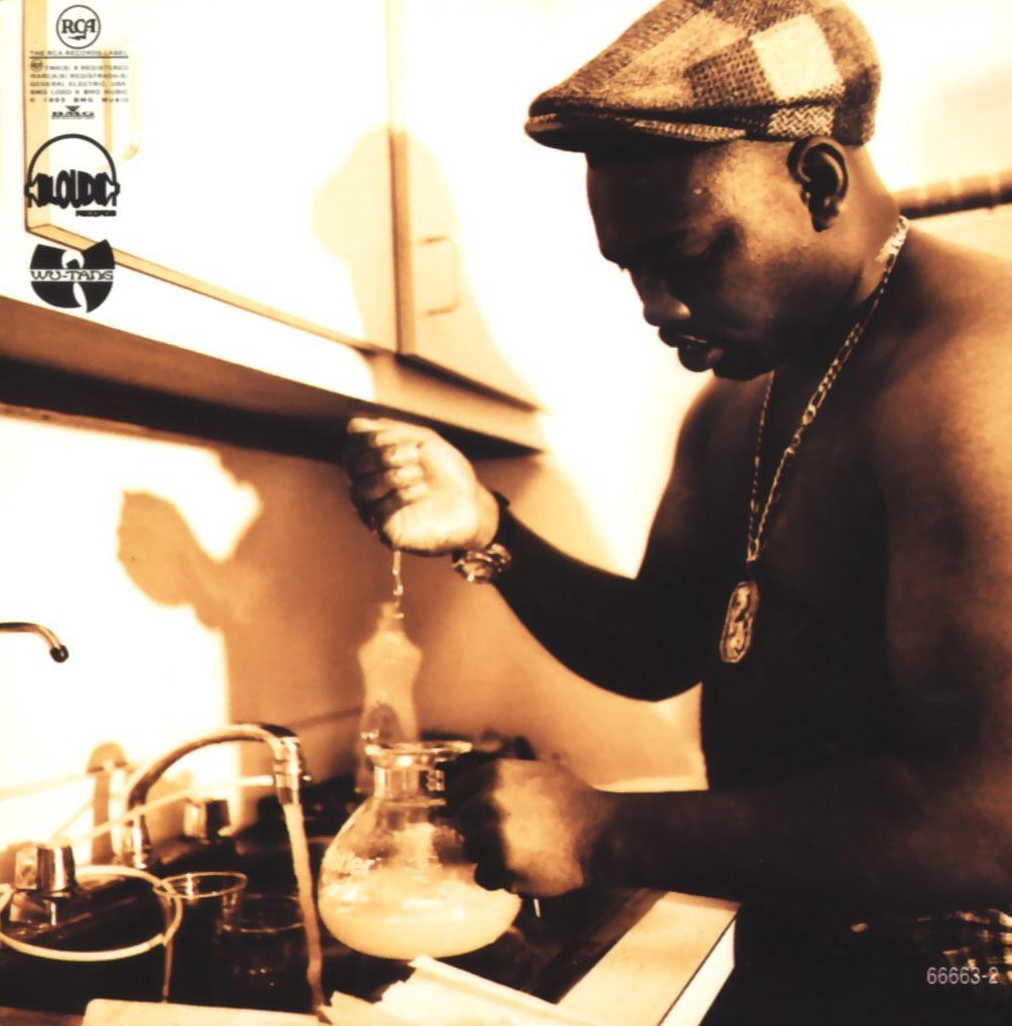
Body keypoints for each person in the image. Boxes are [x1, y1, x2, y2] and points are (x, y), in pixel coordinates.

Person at [344, 1, 1012, 1020]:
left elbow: (989, 819)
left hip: (966, 971)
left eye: (687, 255)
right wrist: (488, 529)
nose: (655, 306)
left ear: (818, 181)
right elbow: (664, 642)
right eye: (632, 269)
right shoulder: (742, 396)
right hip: (800, 927)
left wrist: (604, 832)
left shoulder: (975, 376)